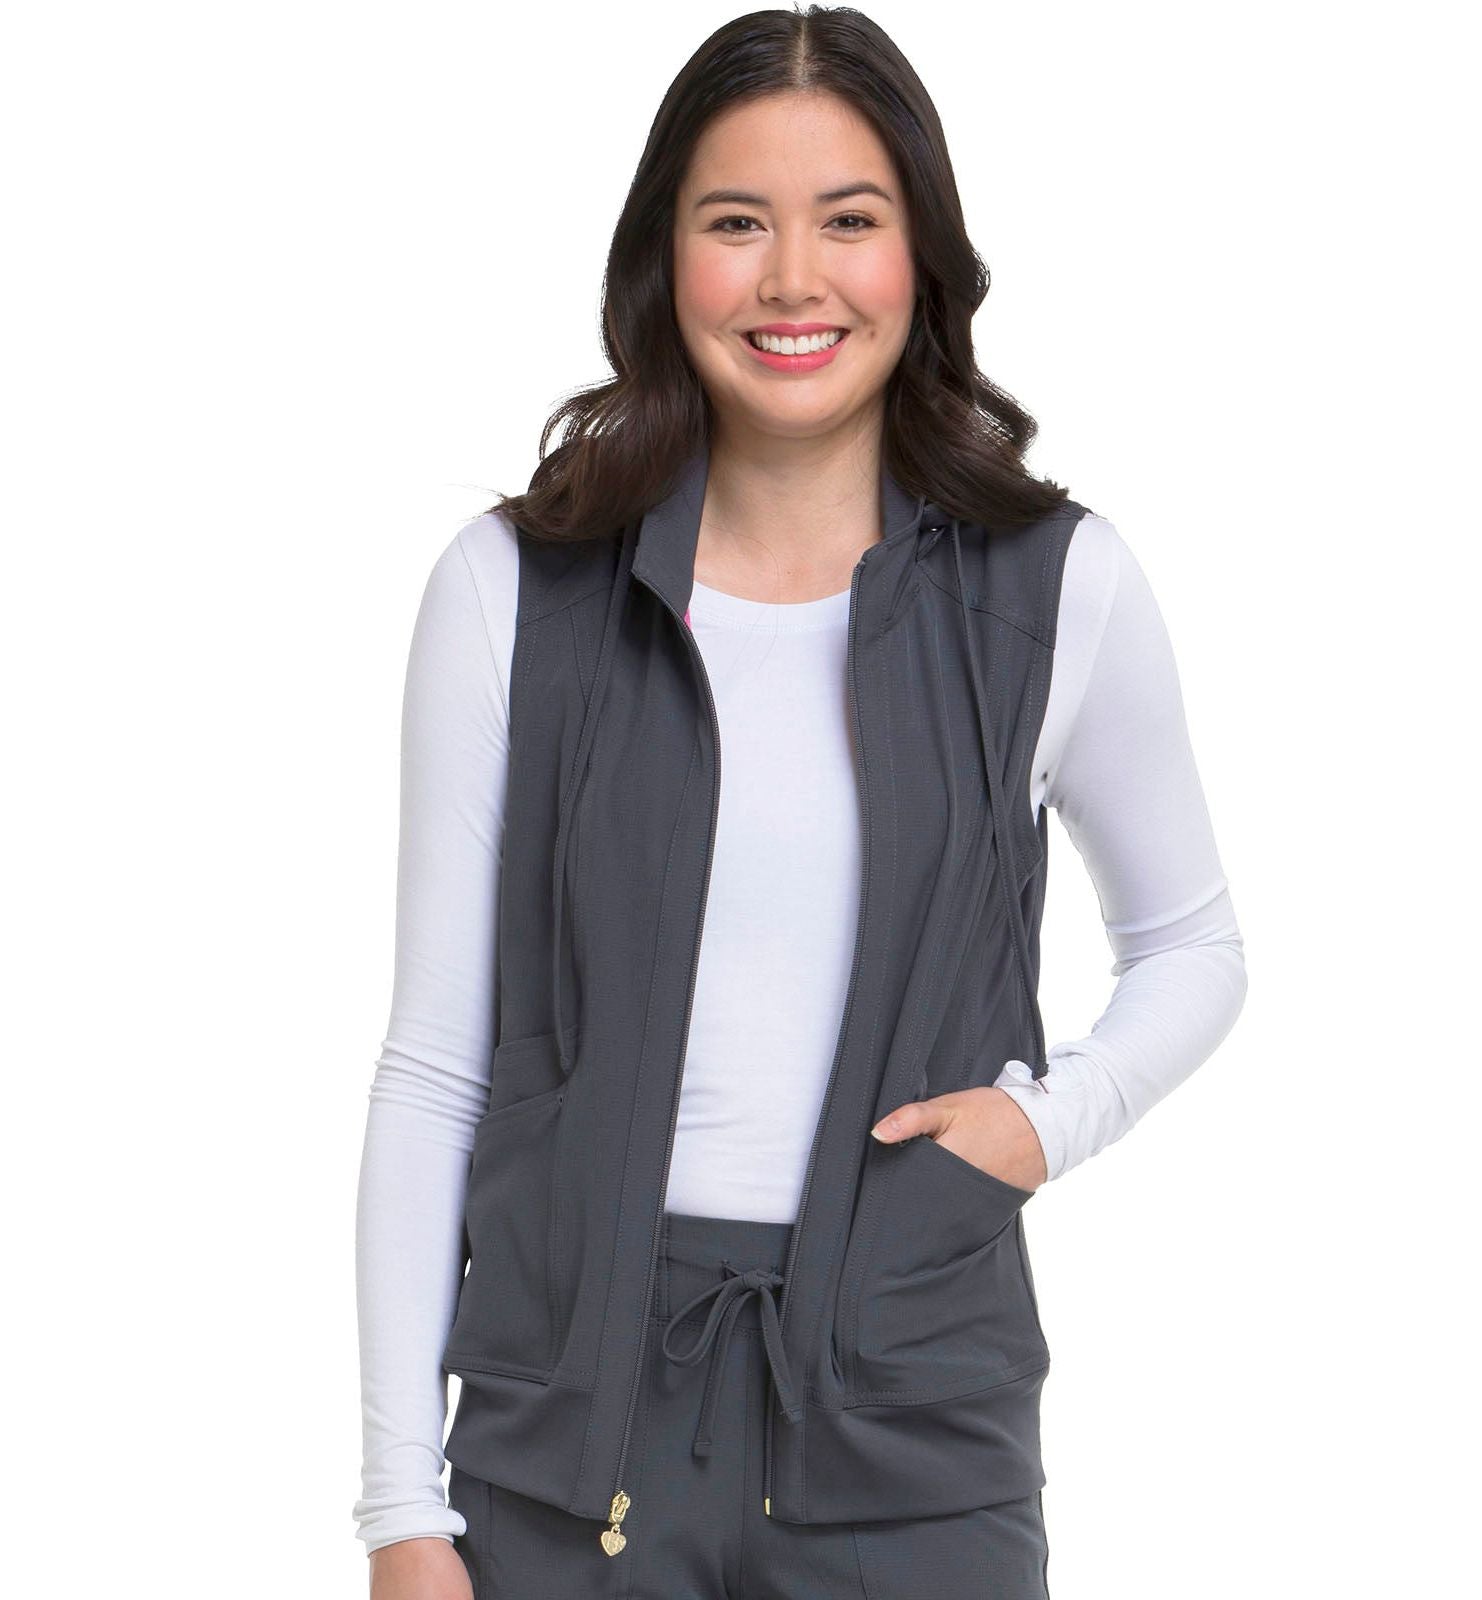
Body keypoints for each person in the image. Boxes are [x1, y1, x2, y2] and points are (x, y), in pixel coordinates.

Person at [354, 8, 1247, 1597]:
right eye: (735, 223)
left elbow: (1195, 947)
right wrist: (398, 1508)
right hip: (568, 1439)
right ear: (663, 258)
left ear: (921, 256)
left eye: (848, 220)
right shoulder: (512, 593)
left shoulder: (1055, 589)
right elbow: (435, 1064)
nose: (792, 280)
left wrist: (1046, 1124)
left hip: (917, 1430)